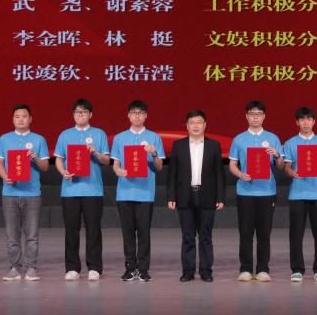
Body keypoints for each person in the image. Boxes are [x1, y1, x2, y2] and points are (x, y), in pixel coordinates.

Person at [54, 98, 111, 281]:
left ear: (90, 114)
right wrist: (63, 172)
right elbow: (59, 159)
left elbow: (106, 160)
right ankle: (72, 268)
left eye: (84, 112)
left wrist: (95, 152)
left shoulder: (99, 134)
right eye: (77, 112)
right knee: (71, 230)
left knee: (93, 230)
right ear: (73, 115)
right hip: (70, 190)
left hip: (93, 190)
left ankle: (94, 267)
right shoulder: (65, 135)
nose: (80, 115)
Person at [228, 100, 285, 282]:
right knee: (245, 232)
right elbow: (232, 164)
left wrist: (277, 154)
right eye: (252, 114)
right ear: (246, 116)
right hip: (245, 192)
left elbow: (281, 165)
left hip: (267, 192)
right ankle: (245, 269)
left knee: (264, 233)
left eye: (258, 114)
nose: (255, 117)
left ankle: (262, 269)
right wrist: (240, 174)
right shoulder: (239, 139)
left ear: (264, 116)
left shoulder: (273, 138)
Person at [166, 109, 225, 282]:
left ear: (205, 125)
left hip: (207, 195)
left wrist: (220, 197)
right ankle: (188, 271)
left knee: (206, 236)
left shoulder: (214, 145)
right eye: (192, 123)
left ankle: (206, 271)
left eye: (199, 122)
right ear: (187, 126)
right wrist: (171, 197)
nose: (195, 126)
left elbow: (219, 174)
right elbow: (172, 174)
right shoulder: (179, 145)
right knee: (187, 236)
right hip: (185, 195)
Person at [111, 100, 165, 282]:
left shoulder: (154, 137)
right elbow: (116, 163)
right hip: (124, 192)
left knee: (143, 232)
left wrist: (154, 153)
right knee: (127, 233)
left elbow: (159, 167)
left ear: (146, 115)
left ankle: (143, 269)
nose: (137, 115)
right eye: (133, 112)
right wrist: (118, 171)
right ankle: (129, 268)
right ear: (128, 115)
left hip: (145, 193)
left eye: (140, 112)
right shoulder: (119, 138)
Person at [0, 104, 50, 282]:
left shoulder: (39, 139)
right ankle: (14, 268)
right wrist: (5, 177)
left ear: (30, 119)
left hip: (32, 193)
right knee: (12, 235)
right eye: (17, 116)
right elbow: (0, 164)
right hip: (10, 192)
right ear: (13, 119)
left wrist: (35, 158)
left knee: (31, 235)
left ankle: (31, 267)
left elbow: (45, 167)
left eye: (24, 116)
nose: (20, 119)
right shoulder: (4, 139)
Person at [282, 107, 317, 282]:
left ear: (314, 121)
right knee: (296, 234)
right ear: (297, 122)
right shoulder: (290, 143)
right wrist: (292, 172)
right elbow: (287, 167)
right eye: (302, 119)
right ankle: (297, 269)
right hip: (298, 194)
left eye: (309, 119)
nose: (305, 123)